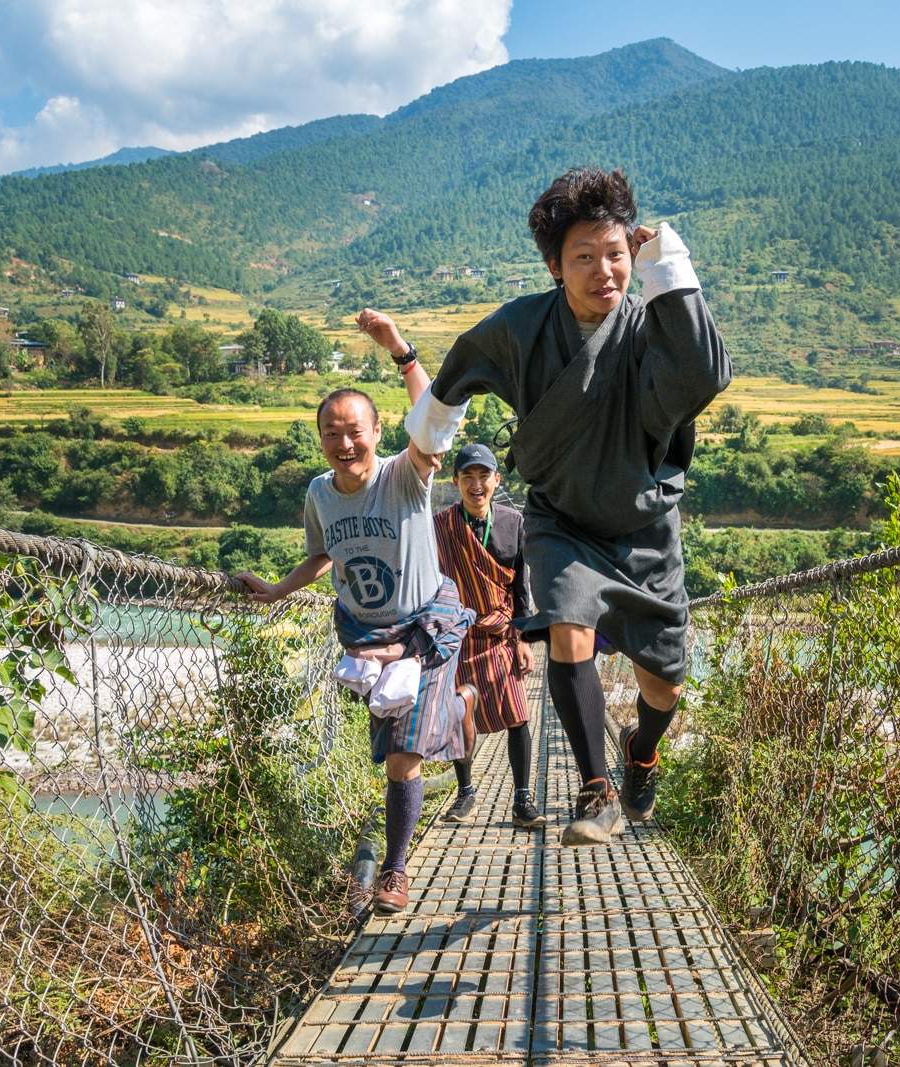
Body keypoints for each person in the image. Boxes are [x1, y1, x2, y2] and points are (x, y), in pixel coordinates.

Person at [362, 166, 731, 846]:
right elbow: (458, 371)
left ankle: (639, 752)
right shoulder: (523, 328)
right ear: (555, 267)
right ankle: (596, 791)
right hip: (561, 518)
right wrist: (428, 438)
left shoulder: (649, 326)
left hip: (645, 530)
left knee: (664, 687)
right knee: (567, 625)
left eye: (616, 253)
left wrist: (668, 267)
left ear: (633, 253)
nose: (604, 271)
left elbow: (705, 373)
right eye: (583, 257)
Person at [235, 321, 476, 915]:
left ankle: (394, 871)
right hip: (367, 638)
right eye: (331, 434)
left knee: (402, 756)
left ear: (376, 433)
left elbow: (435, 420)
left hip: (424, 631)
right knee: (395, 740)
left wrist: (401, 351)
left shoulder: (404, 474)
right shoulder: (319, 493)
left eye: (355, 433)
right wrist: (275, 590)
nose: (344, 444)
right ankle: (459, 707)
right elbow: (322, 556)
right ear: (320, 439)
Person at [432, 442, 544, 829]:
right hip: (458, 635)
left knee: (518, 715)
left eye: (484, 476)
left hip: (501, 634)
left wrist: (525, 638)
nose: (476, 484)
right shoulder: (440, 526)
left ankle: (522, 800)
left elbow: (521, 588)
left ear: (497, 480)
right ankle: (465, 794)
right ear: (455, 481)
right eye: (468, 477)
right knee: (459, 717)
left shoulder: (515, 522)